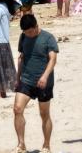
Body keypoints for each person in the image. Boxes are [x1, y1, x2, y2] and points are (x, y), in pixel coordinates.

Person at [13, 13, 58, 153]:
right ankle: (21, 144)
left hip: (44, 82)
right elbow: (21, 57)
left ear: (36, 26)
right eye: (25, 32)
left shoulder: (48, 38)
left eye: (30, 32)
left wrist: (44, 76)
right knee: (17, 109)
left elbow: (53, 59)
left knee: (44, 114)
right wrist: (17, 78)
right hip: (26, 80)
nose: (28, 35)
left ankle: (46, 145)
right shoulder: (23, 37)